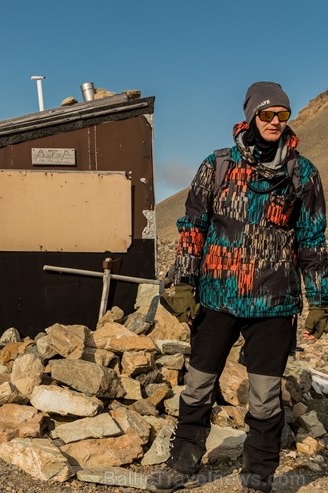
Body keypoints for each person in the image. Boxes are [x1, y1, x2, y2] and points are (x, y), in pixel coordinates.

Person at [149, 82, 328, 493]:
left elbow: (313, 243)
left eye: (282, 115)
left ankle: (258, 476)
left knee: (265, 396)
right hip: (216, 297)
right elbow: (193, 227)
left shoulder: (302, 174)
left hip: (274, 303)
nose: (275, 122)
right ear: (251, 117)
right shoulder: (218, 166)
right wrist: (182, 283)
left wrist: (319, 300)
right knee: (197, 385)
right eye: (266, 115)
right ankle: (183, 463)